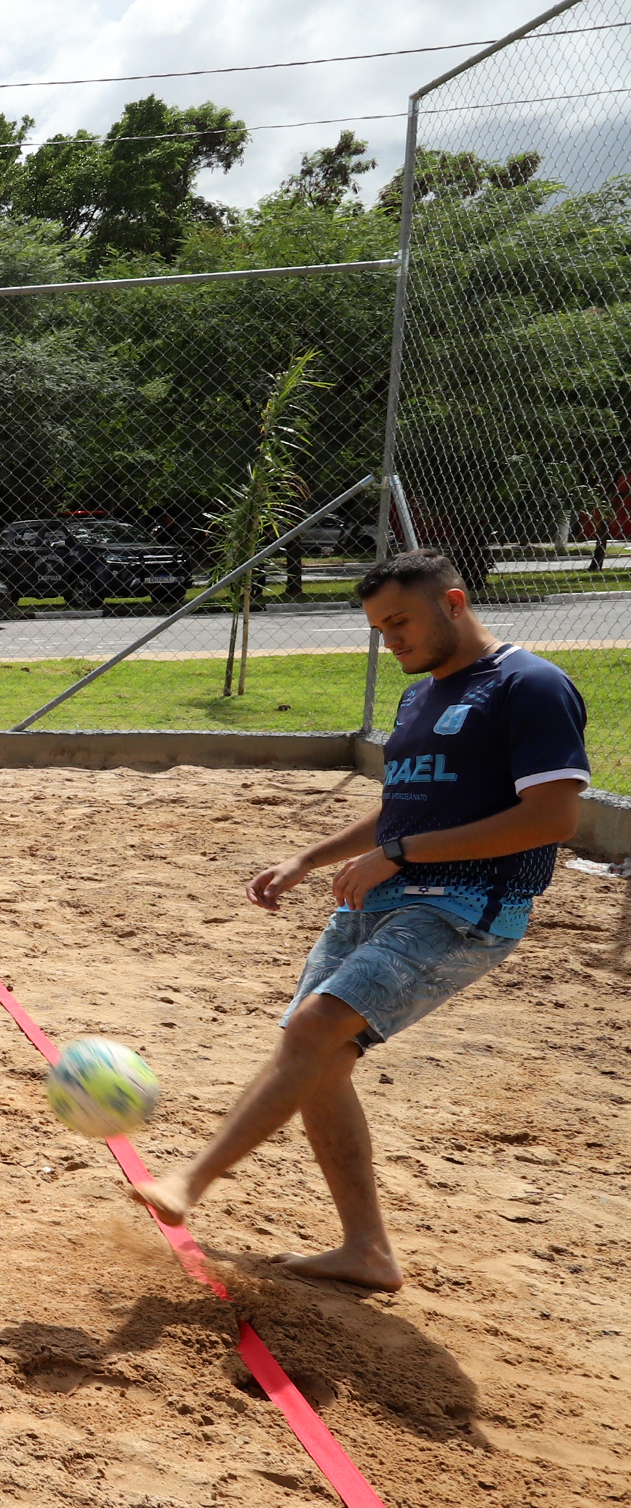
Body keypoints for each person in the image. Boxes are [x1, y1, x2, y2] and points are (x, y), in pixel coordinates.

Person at [133, 550, 589, 1288]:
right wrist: (309, 857)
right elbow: (403, 802)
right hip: (378, 898)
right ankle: (368, 1252)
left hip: (468, 909)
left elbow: (552, 817)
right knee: (317, 1062)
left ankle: (190, 1181)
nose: (391, 641)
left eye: (400, 622)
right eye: (379, 629)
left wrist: (401, 856)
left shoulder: (528, 685)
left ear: (454, 600)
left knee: (312, 1033)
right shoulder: (422, 696)